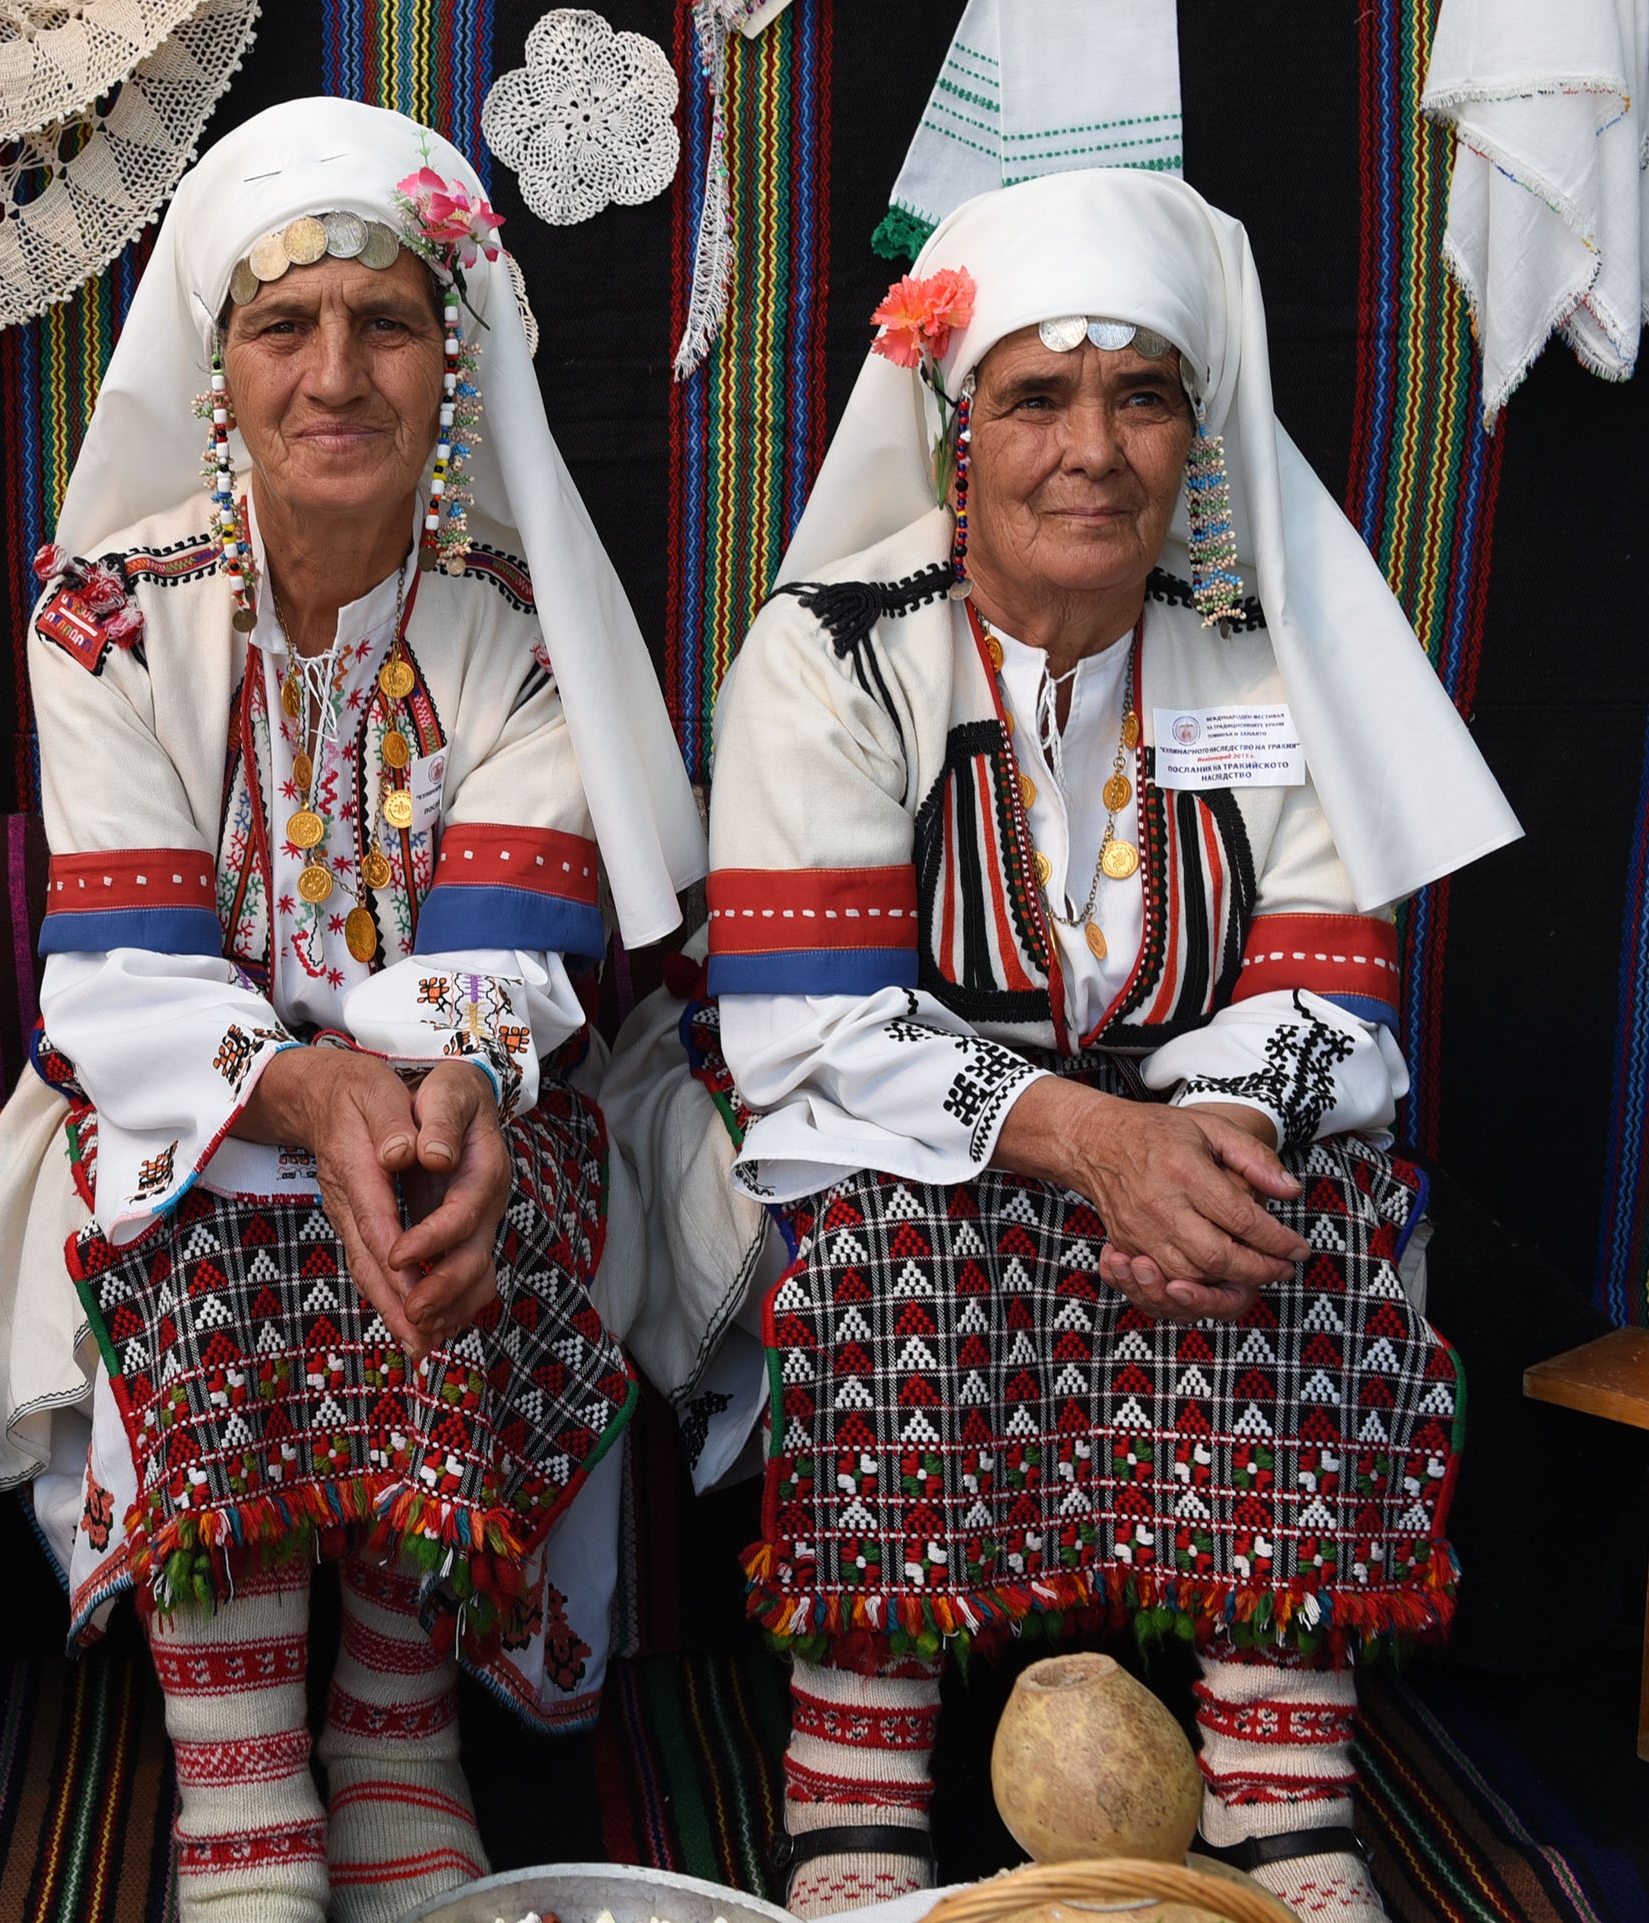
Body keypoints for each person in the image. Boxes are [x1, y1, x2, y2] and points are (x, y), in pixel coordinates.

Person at [633, 169, 1518, 1920]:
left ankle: (1279, 1795)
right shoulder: (835, 650)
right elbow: (809, 1024)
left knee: (1309, 1207)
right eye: (1038, 397)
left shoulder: (1270, 659)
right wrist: (1092, 1140)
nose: (1091, 449)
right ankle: (858, 1798)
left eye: (1143, 397)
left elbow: (1331, 987)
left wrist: (1206, 1145)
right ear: (958, 432)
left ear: (1198, 430)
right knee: (895, 1225)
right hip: (884, 1132)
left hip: (1185, 1138)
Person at [0, 98, 708, 1923]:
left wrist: (438, 1094)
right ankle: (236, 1779)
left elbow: (504, 953)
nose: (335, 374)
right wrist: (299, 1095)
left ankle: (392, 1730)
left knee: (489, 1197)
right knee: (204, 1202)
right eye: (283, 328)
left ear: (449, 360)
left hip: (453, 1083)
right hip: (176, 1089)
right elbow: (127, 974)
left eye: (385, 324)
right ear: (215, 367)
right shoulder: (101, 619)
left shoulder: (525, 620)